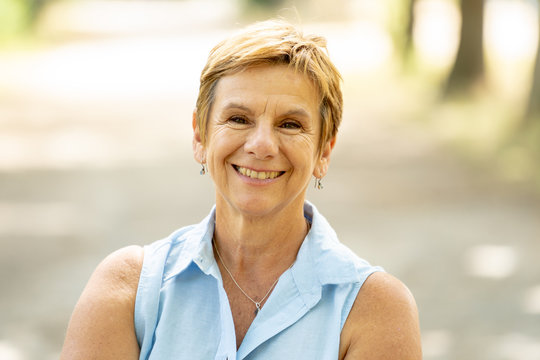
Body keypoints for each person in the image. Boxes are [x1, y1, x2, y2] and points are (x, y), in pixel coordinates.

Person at [60, 20, 421, 359]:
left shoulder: (375, 309)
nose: (261, 145)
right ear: (200, 136)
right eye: (238, 119)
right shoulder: (130, 289)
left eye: (290, 124)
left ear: (323, 150)